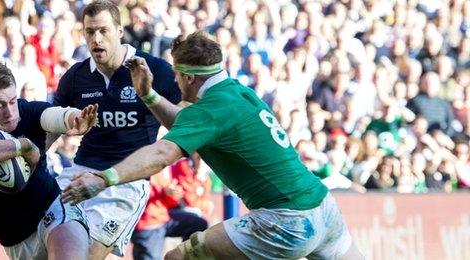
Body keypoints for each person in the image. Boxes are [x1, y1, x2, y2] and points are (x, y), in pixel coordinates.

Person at [62, 31, 365, 260]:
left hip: (286, 220)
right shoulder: (237, 92)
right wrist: (150, 96)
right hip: (323, 208)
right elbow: (189, 123)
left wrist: (105, 178)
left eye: (177, 76)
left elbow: (163, 152)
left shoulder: (208, 112)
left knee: (177, 257)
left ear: (189, 77)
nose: (176, 83)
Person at [52, 1, 181, 258]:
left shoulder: (155, 70)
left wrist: (148, 95)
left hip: (126, 181)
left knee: (85, 255)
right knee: (42, 239)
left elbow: (183, 123)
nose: (96, 39)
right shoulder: (75, 77)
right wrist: (65, 126)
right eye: (90, 32)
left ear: (120, 32)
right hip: (80, 171)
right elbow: (49, 125)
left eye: (103, 31)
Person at [0, 61, 98, 259]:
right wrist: (22, 147)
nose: (10, 112)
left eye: (12, 101)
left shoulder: (26, 111)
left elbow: (55, 115)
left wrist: (76, 118)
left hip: (54, 210)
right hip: (16, 241)